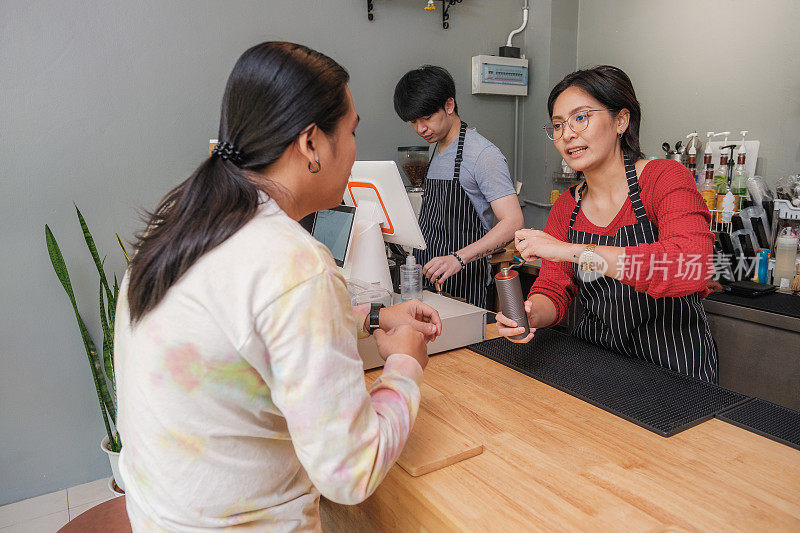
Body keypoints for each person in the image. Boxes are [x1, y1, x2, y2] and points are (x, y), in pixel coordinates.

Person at [115, 42, 443, 531]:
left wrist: (373, 318)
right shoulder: (294, 264)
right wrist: (405, 364)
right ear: (311, 144)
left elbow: (241, 340)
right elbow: (350, 472)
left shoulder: (180, 224)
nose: (355, 150)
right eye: (352, 132)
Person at [496, 65, 718, 383]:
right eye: (557, 125)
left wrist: (573, 251)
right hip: (599, 364)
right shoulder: (566, 207)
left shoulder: (663, 178)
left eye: (581, 118)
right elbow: (553, 290)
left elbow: (690, 266)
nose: (567, 134)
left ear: (621, 120)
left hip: (676, 371)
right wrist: (531, 314)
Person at [393, 65, 524, 308]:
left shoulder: (483, 155)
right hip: (428, 278)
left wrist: (457, 259)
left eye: (427, 118)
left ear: (449, 106)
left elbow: (513, 222)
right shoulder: (436, 149)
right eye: (413, 121)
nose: (420, 129)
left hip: (464, 281)